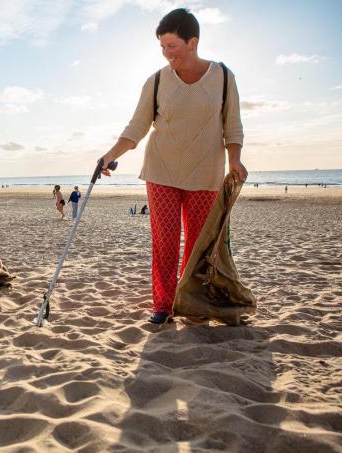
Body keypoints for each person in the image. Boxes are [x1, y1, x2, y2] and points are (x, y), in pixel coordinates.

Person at [100, 8, 247, 325]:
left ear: (192, 42)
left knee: (198, 245)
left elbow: (232, 127)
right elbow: (136, 128)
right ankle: (163, 305)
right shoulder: (156, 81)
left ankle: (191, 300)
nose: (167, 54)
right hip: (162, 171)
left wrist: (234, 160)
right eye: (163, 48)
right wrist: (109, 155)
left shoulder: (222, 77)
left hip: (206, 174)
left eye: (173, 47)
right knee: (165, 242)